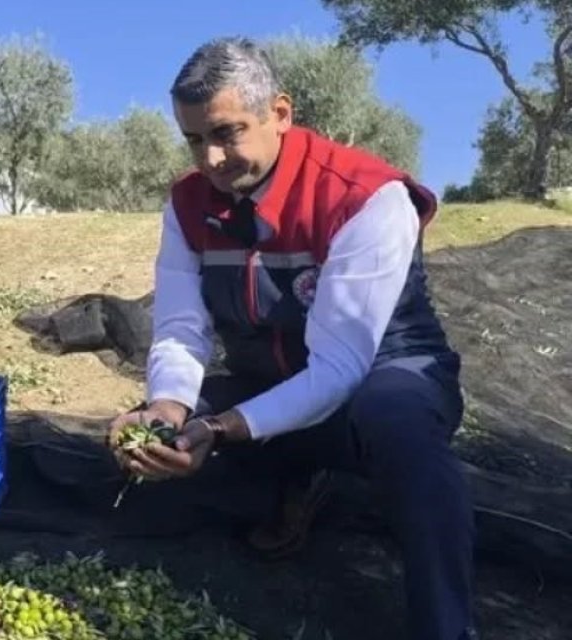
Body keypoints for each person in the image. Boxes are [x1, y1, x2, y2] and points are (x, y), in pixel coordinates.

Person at [108, 37, 475, 640]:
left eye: (228, 132)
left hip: (379, 380)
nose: (211, 158)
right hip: (271, 384)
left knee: (396, 419)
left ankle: (445, 625)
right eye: (195, 139)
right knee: (157, 430)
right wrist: (167, 409)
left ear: (280, 113)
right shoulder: (187, 205)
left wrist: (223, 428)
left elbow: (339, 367)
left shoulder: (364, 196)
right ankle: (297, 483)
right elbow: (179, 328)